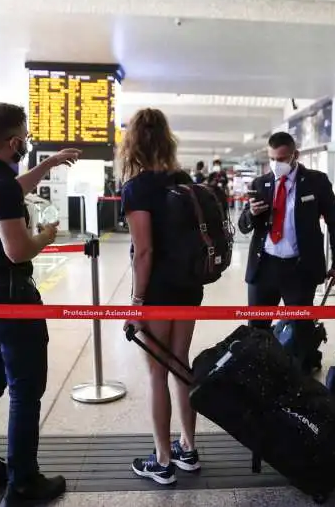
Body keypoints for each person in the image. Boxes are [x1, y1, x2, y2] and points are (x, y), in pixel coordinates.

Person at [0, 103, 80, 506]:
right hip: (11, 299)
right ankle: (23, 481)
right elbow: (17, 249)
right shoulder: (0, 185)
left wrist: (48, 165)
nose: (25, 143)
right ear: (13, 141)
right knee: (25, 390)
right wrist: (45, 236)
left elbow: (10, 192)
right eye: (24, 138)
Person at [119, 108, 202, 485]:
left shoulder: (137, 188)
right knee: (181, 365)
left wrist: (137, 303)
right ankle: (188, 448)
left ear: (133, 142)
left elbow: (145, 252)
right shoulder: (183, 180)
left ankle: (163, 460)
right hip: (188, 286)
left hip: (157, 292)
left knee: (157, 374)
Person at [239, 131, 335, 329]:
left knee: (300, 329)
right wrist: (251, 214)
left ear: (295, 155)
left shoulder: (317, 181)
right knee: (256, 329)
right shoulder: (260, 184)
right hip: (264, 266)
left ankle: (299, 360)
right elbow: (243, 226)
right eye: (271, 159)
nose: (275, 164)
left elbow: (334, 222)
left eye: (281, 159)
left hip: (300, 268)